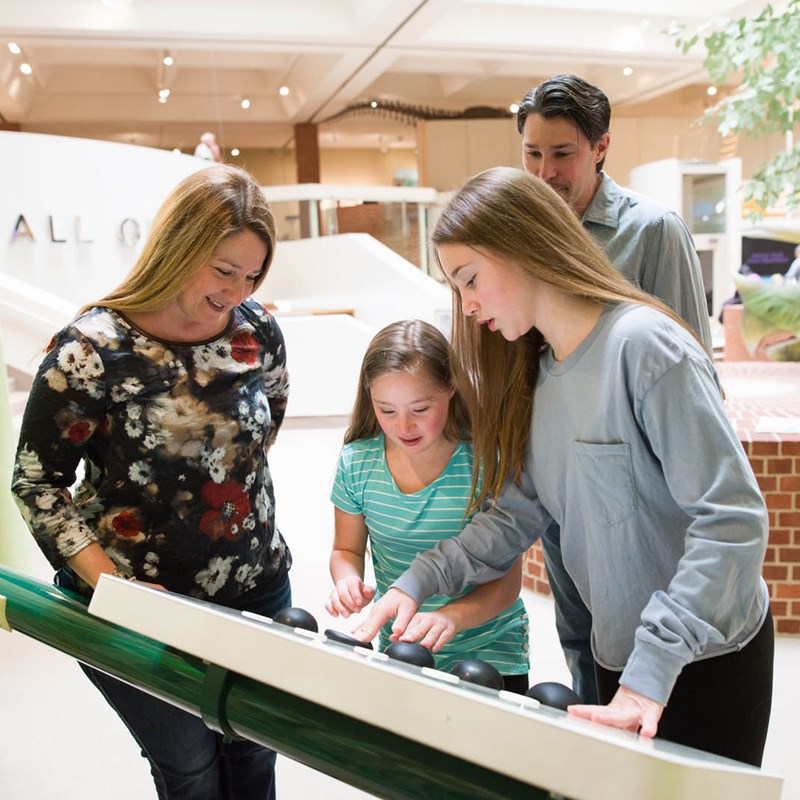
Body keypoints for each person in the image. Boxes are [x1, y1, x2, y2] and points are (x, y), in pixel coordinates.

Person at [354, 167, 773, 767]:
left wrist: (651, 671)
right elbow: (519, 511)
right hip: (617, 656)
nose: (468, 307)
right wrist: (414, 584)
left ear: (524, 245)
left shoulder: (645, 346)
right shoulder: (542, 372)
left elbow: (732, 521)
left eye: (470, 280)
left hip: (702, 659)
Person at [12, 164, 290, 800]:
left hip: (258, 595)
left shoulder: (257, 331)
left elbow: (266, 421)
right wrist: (116, 588)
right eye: (224, 271)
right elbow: (37, 483)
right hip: (138, 616)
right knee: (189, 771)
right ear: (179, 245)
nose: (237, 291)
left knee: (254, 760)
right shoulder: (93, 348)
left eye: (252, 276)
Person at [516, 73, 713, 703]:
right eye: (533, 153)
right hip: (558, 486)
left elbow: (693, 370)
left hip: (640, 502)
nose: (545, 172)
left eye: (562, 154)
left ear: (601, 146)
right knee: (581, 644)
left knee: (649, 656)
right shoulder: (522, 234)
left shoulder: (653, 230)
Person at [326, 320, 530, 692]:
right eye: (386, 410)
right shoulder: (357, 461)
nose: (403, 426)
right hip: (402, 646)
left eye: (420, 408)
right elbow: (346, 549)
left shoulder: (485, 461)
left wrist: (450, 618)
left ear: (452, 389)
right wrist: (347, 582)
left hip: (490, 649)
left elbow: (507, 582)